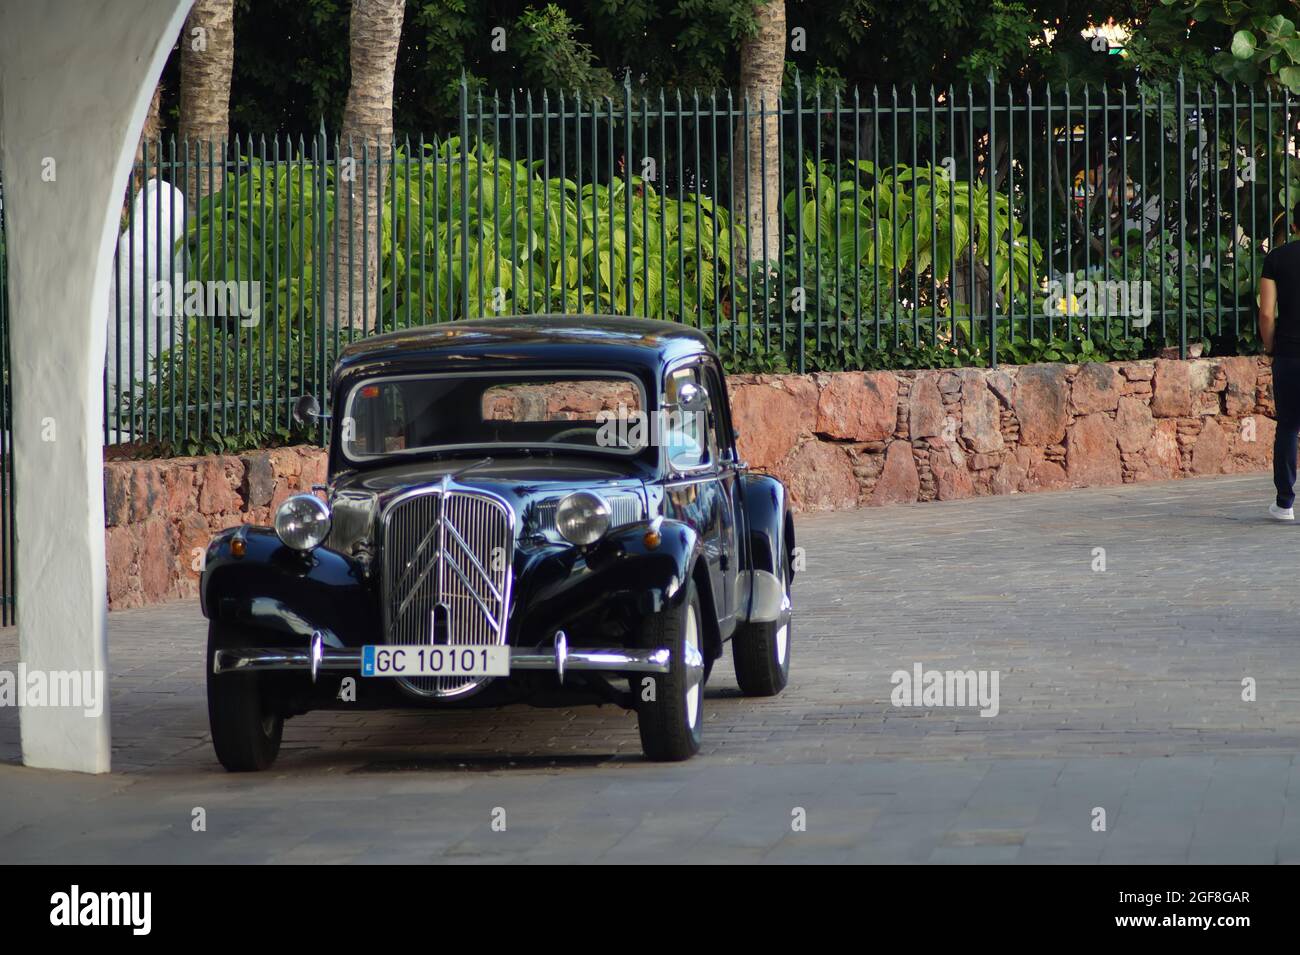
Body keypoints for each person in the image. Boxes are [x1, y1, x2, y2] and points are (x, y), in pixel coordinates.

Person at [1260, 214, 1300, 520]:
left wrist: (1270, 346)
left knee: (1288, 425)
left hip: (1289, 354)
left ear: (1294, 225)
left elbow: (1266, 314)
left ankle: (1285, 502)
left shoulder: (1277, 259)